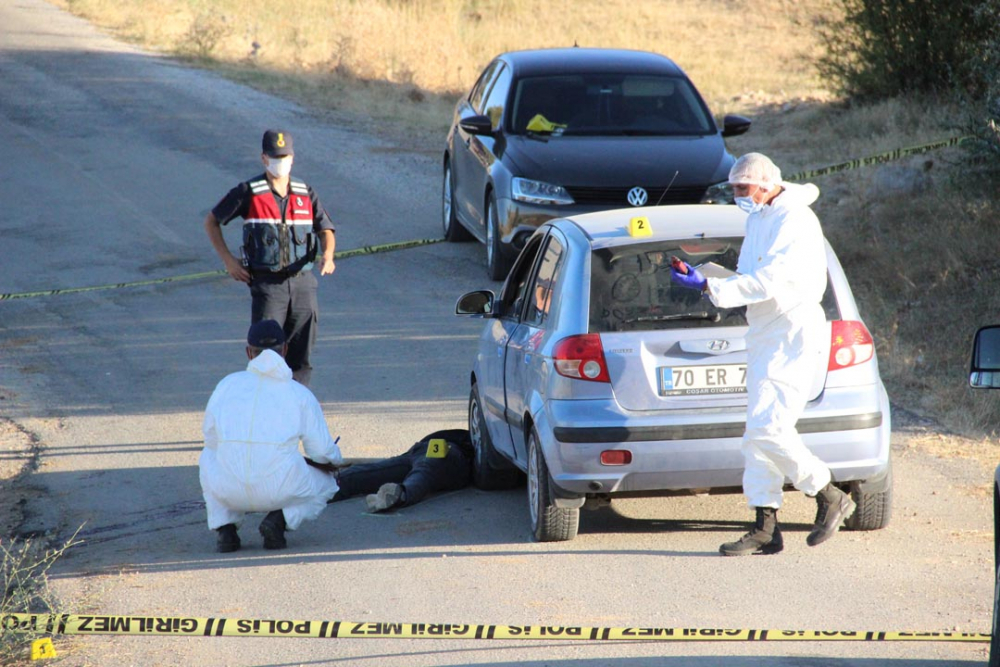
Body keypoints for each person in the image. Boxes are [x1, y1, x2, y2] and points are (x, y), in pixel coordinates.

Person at [670, 152, 855, 556]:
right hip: (764, 333)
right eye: (733, 188)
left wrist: (709, 288)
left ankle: (828, 493)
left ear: (766, 183)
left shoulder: (794, 219)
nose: (737, 195)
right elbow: (747, 279)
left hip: (792, 332)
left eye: (743, 188)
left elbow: (772, 281)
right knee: (757, 436)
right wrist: (704, 275)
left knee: (767, 429)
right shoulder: (759, 218)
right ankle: (765, 527)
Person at [204, 129, 336, 386]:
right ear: (264, 158)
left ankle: (298, 408)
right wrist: (228, 261)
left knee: (301, 356)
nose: (280, 162)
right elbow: (212, 221)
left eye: (285, 156)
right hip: (268, 286)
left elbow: (326, 229)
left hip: (303, 284)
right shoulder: (248, 192)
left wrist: (328, 255)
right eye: (275, 157)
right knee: (267, 356)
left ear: (293, 158)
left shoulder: (305, 191)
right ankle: (265, 408)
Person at [199, 319, 343, 552]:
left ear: (248, 352)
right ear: (285, 350)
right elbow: (321, 451)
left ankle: (225, 529)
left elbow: (211, 440)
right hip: (279, 490)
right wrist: (336, 462)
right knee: (328, 483)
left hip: (228, 491)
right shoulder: (299, 393)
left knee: (208, 457)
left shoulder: (226, 385)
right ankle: (279, 521)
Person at [329, 430, 473, 513]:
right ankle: (321, 488)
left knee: (424, 471)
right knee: (371, 472)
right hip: (419, 450)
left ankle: (400, 494)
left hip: (451, 451)